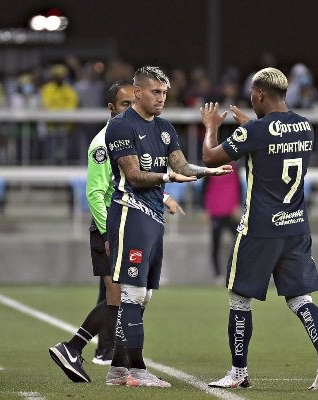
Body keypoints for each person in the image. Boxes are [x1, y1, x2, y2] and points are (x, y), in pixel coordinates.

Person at [201, 67, 318, 390]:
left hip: (260, 228)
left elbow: (210, 157)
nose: (251, 99)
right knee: (300, 298)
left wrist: (211, 127)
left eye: (253, 94)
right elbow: (277, 142)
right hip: (296, 227)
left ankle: (238, 372)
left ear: (260, 94)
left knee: (239, 299)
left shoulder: (256, 132)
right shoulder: (305, 127)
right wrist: (252, 128)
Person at [103, 66, 231, 388]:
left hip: (153, 218)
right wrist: (167, 178)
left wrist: (207, 171)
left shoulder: (165, 128)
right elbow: (133, 176)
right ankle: (139, 369)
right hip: (130, 213)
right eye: (155, 92)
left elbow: (182, 166)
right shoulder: (120, 126)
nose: (161, 99)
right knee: (131, 293)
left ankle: (118, 370)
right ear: (137, 93)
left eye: (164, 93)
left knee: (143, 296)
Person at [48, 80, 184, 383]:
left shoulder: (129, 137)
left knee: (128, 298)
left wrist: (163, 197)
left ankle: (116, 366)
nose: (130, 109)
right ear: (111, 108)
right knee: (120, 298)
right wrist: (108, 233)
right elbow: (96, 192)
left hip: (128, 222)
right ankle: (76, 348)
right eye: (124, 105)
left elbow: (123, 180)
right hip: (113, 226)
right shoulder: (102, 142)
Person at [201, 164, 242, 284]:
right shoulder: (210, 169)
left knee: (239, 243)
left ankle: (239, 272)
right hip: (215, 212)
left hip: (231, 212)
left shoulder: (234, 169)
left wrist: (237, 205)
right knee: (215, 244)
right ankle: (218, 275)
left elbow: (239, 188)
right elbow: (204, 190)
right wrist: (204, 210)